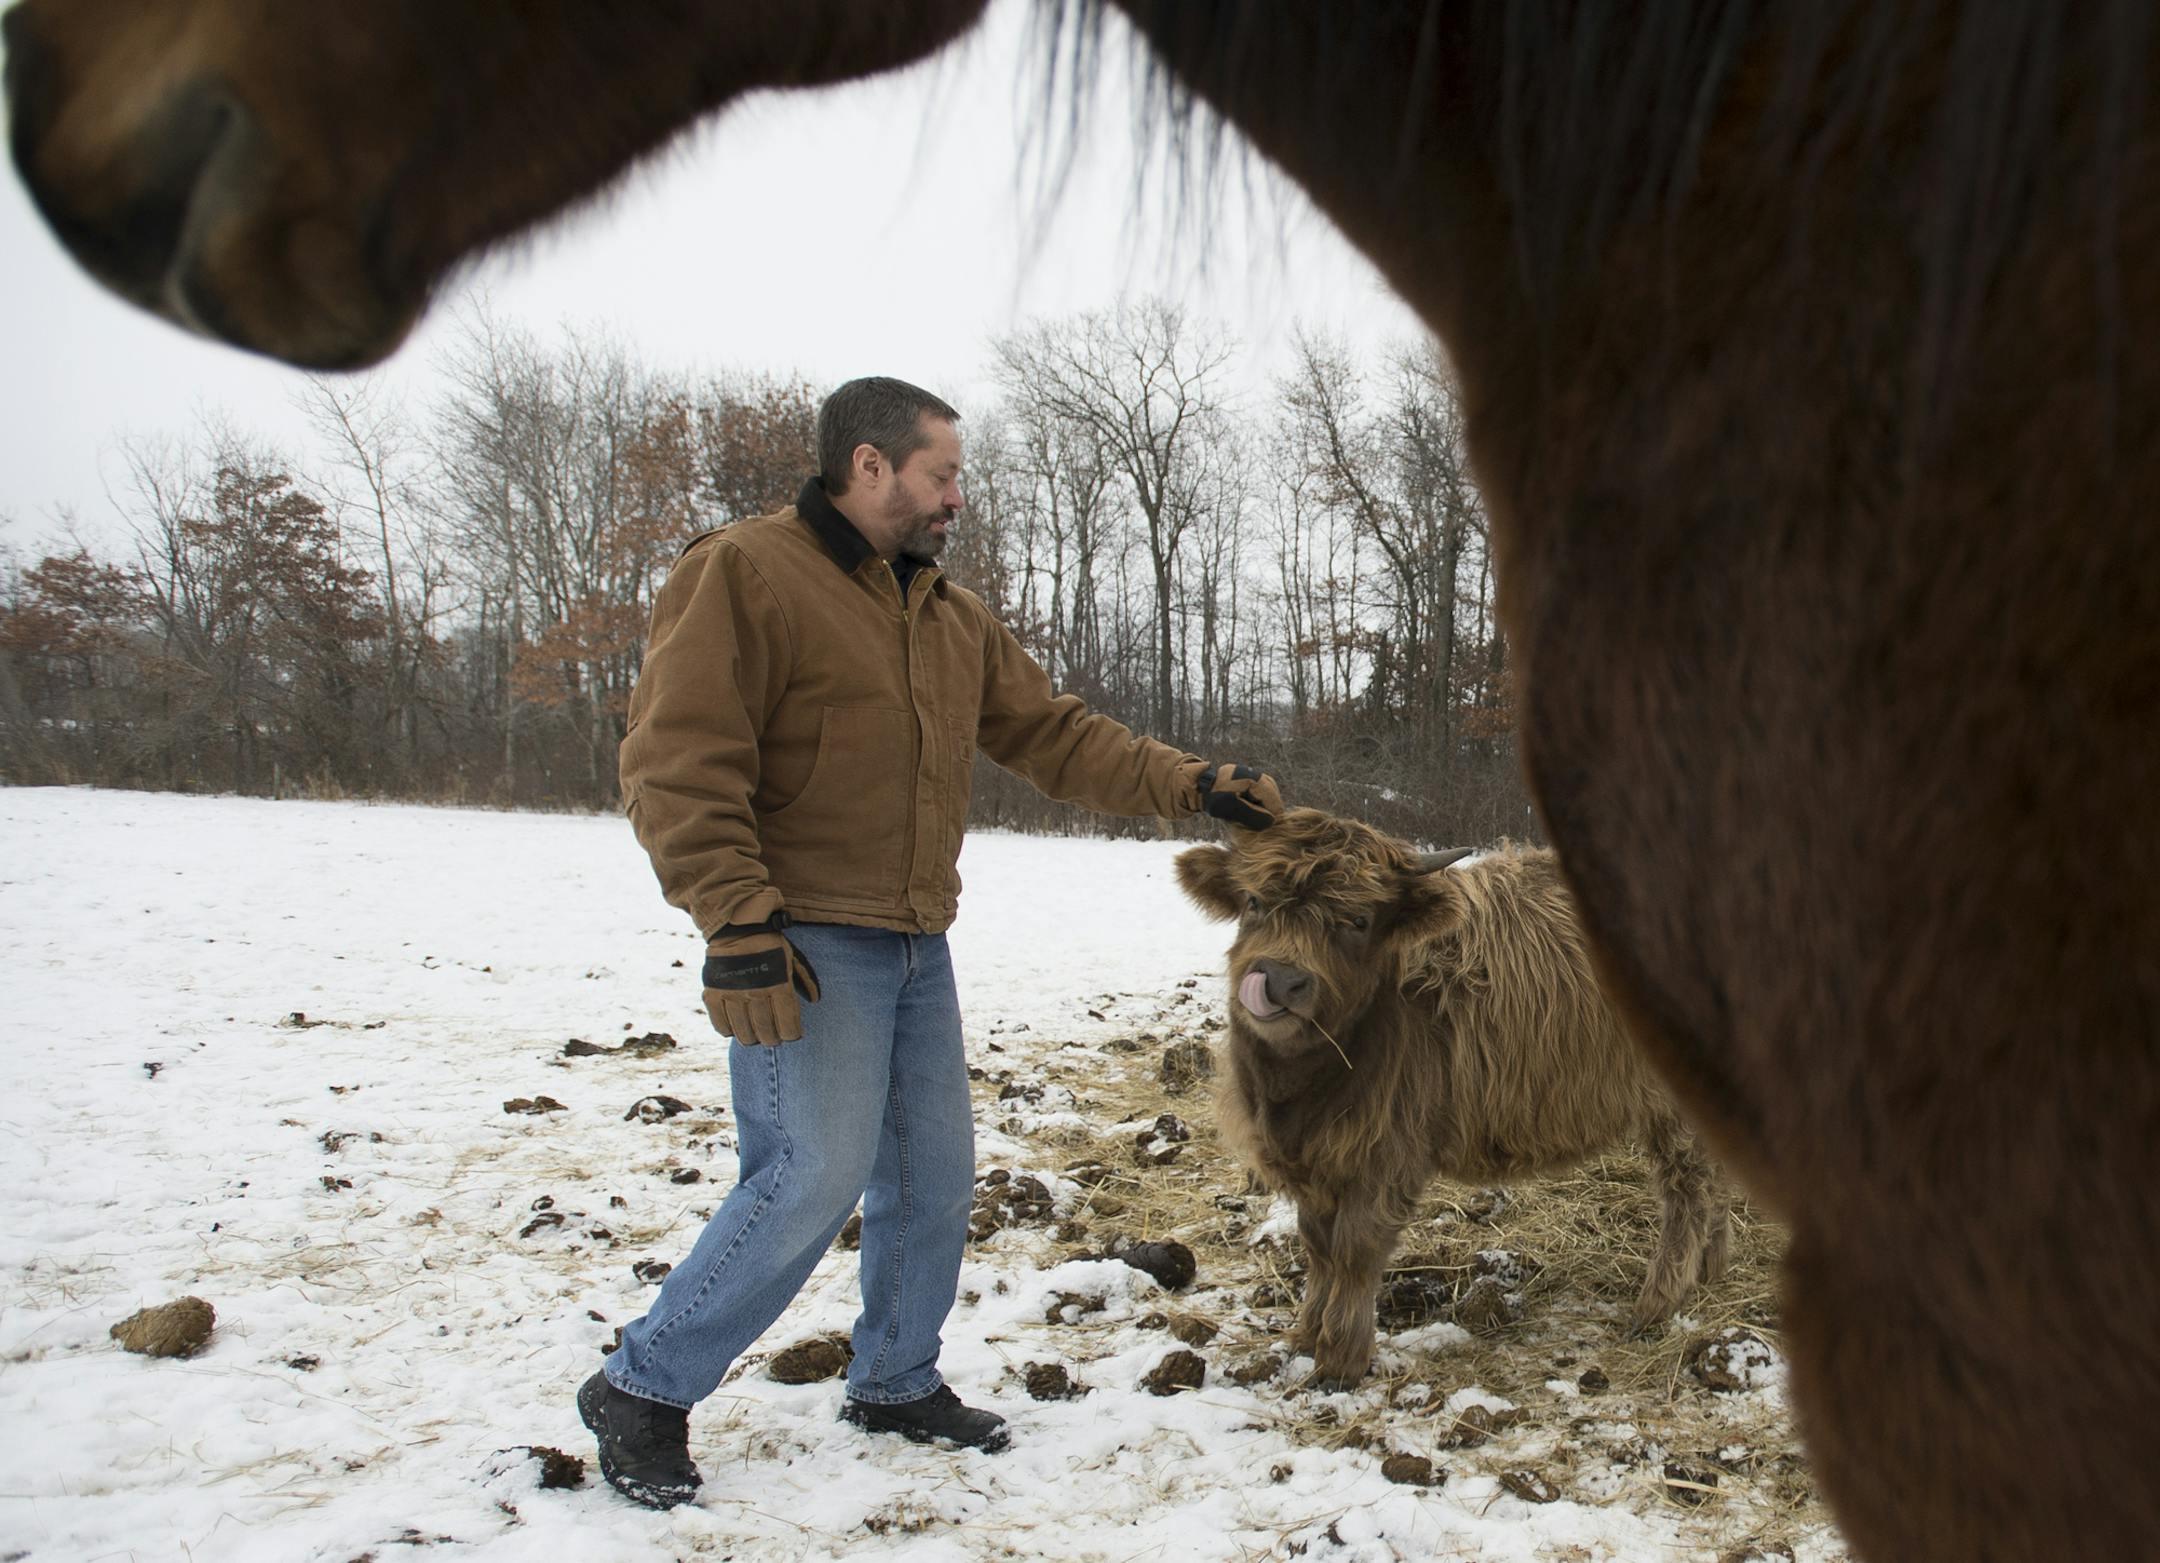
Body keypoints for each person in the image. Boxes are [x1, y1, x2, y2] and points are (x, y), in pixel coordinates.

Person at [579, 375, 1283, 1508]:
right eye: (941, 474)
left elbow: (1055, 735)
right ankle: (645, 1385)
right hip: (801, 937)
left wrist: (1194, 785)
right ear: (869, 466)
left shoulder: (944, 615)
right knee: (809, 1173)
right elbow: (677, 761)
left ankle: (895, 1380)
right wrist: (737, 922)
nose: (957, 497)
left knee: (935, 1178)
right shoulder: (747, 573)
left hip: (914, 940)